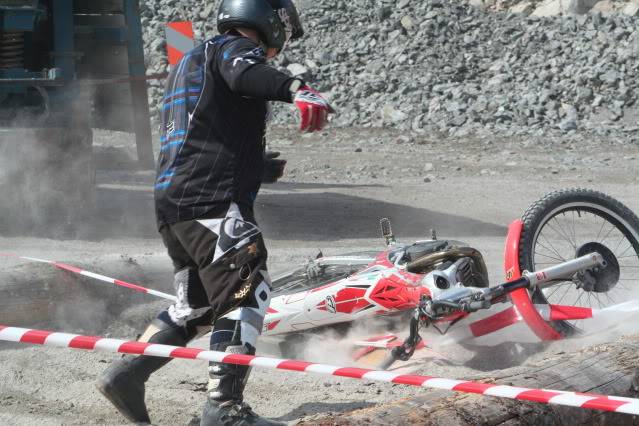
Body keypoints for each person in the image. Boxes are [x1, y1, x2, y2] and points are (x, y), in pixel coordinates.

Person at [96, 0, 333, 424]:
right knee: (248, 281)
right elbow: (245, 72)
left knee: (200, 305)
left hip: (175, 203)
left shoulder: (190, 58)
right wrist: (296, 89)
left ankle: (126, 373)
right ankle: (224, 409)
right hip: (211, 200)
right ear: (271, 21)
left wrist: (254, 166)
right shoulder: (233, 48)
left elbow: (200, 128)